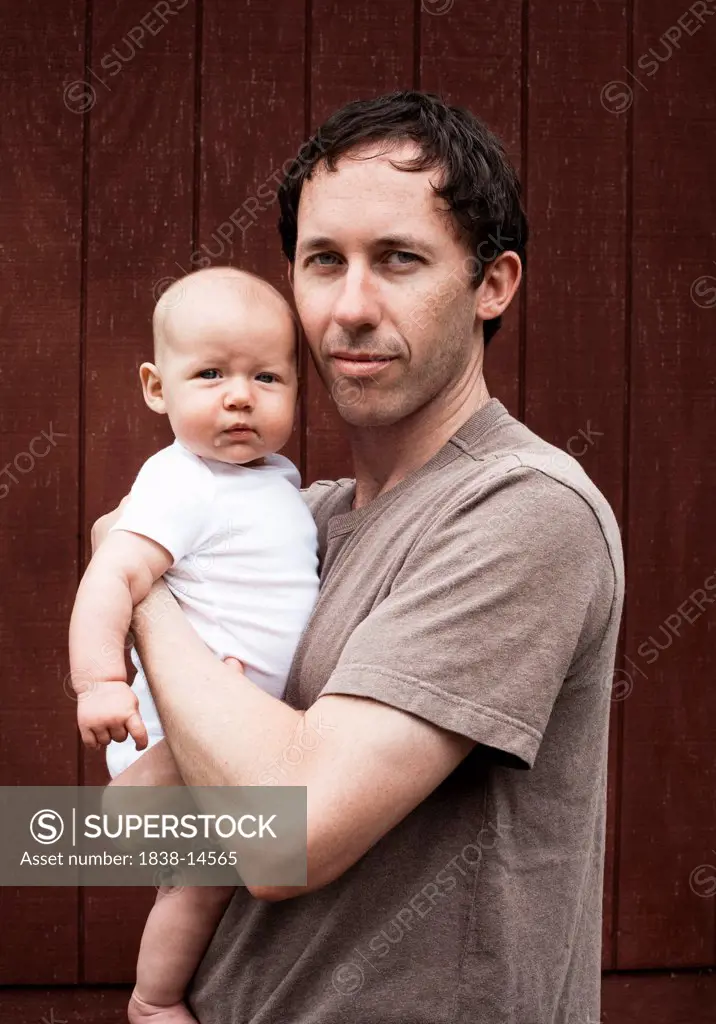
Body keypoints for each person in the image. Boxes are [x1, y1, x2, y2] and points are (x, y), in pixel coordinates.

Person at [92, 91, 625, 1024]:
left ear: (492, 284)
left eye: (399, 260)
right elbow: (125, 831)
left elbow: (285, 836)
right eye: (323, 262)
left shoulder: (525, 510)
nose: (350, 307)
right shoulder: (295, 527)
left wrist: (133, 582)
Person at [70, 267, 320, 1023]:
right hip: (178, 729)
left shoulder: (274, 479)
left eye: (266, 377)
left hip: (245, 728)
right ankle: (153, 1001)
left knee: (219, 867)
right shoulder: (182, 482)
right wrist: (99, 683)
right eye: (210, 373)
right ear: (157, 387)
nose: (239, 395)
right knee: (200, 879)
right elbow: (111, 573)